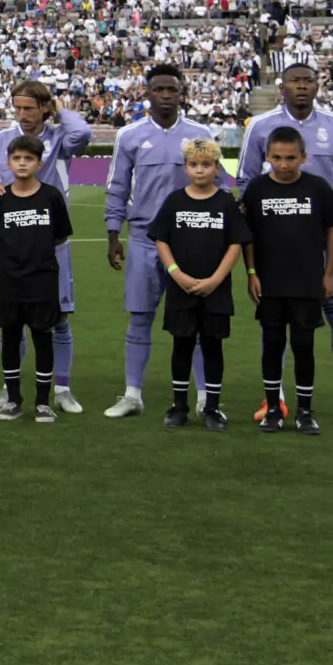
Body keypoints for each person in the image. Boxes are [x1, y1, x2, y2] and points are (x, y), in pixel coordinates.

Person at [240, 61, 333, 426]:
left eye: (308, 80)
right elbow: (245, 182)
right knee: (275, 322)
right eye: (294, 80)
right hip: (275, 246)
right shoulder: (259, 126)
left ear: (318, 86)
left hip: (321, 245)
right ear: (281, 86)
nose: (301, 86)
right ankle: (277, 401)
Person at [102, 64, 219, 419]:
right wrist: (113, 233)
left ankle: (204, 399)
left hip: (192, 240)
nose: (166, 96)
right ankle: (132, 395)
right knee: (140, 317)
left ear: (181, 93)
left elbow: (217, 184)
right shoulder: (129, 135)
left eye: (172, 90)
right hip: (143, 239)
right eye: (159, 89)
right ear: (147, 93)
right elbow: (117, 187)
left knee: (195, 322)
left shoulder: (200, 133)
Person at [0, 79, 93, 412]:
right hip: (14, 246)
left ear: (44, 108)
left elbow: (83, 134)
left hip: (52, 245)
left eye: (29, 108)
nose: (22, 114)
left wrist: (58, 110)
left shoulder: (60, 138)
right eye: (18, 108)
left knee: (60, 318)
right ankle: (9, 388)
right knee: (12, 322)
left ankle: (62, 389)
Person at [240, 125, 333, 436]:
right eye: (277, 158)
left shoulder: (318, 188)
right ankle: (273, 408)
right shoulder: (257, 188)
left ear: (303, 157)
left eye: (290, 158)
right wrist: (251, 273)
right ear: (267, 157)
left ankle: (305, 412)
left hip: (306, 281)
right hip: (270, 282)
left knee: (303, 345)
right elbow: (247, 235)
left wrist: (328, 273)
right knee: (272, 345)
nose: (283, 164)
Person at [148, 139, 246, 431]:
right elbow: (161, 238)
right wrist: (176, 273)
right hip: (181, 289)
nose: (200, 170)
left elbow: (236, 243)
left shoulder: (226, 203)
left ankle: (212, 408)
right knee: (182, 344)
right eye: (193, 165)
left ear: (217, 168)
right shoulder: (175, 201)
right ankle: (179, 406)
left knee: (213, 346)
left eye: (206, 165)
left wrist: (216, 279)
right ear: (185, 167)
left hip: (216, 290)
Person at [0, 136, 70, 422]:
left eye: (29, 158)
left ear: (39, 164)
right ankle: (13, 399)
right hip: (8, 281)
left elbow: (60, 235)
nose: (22, 163)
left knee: (42, 337)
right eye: (17, 158)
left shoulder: (51, 197)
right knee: (10, 337)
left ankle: (43, 402)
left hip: (42, 281)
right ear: (8, 163)